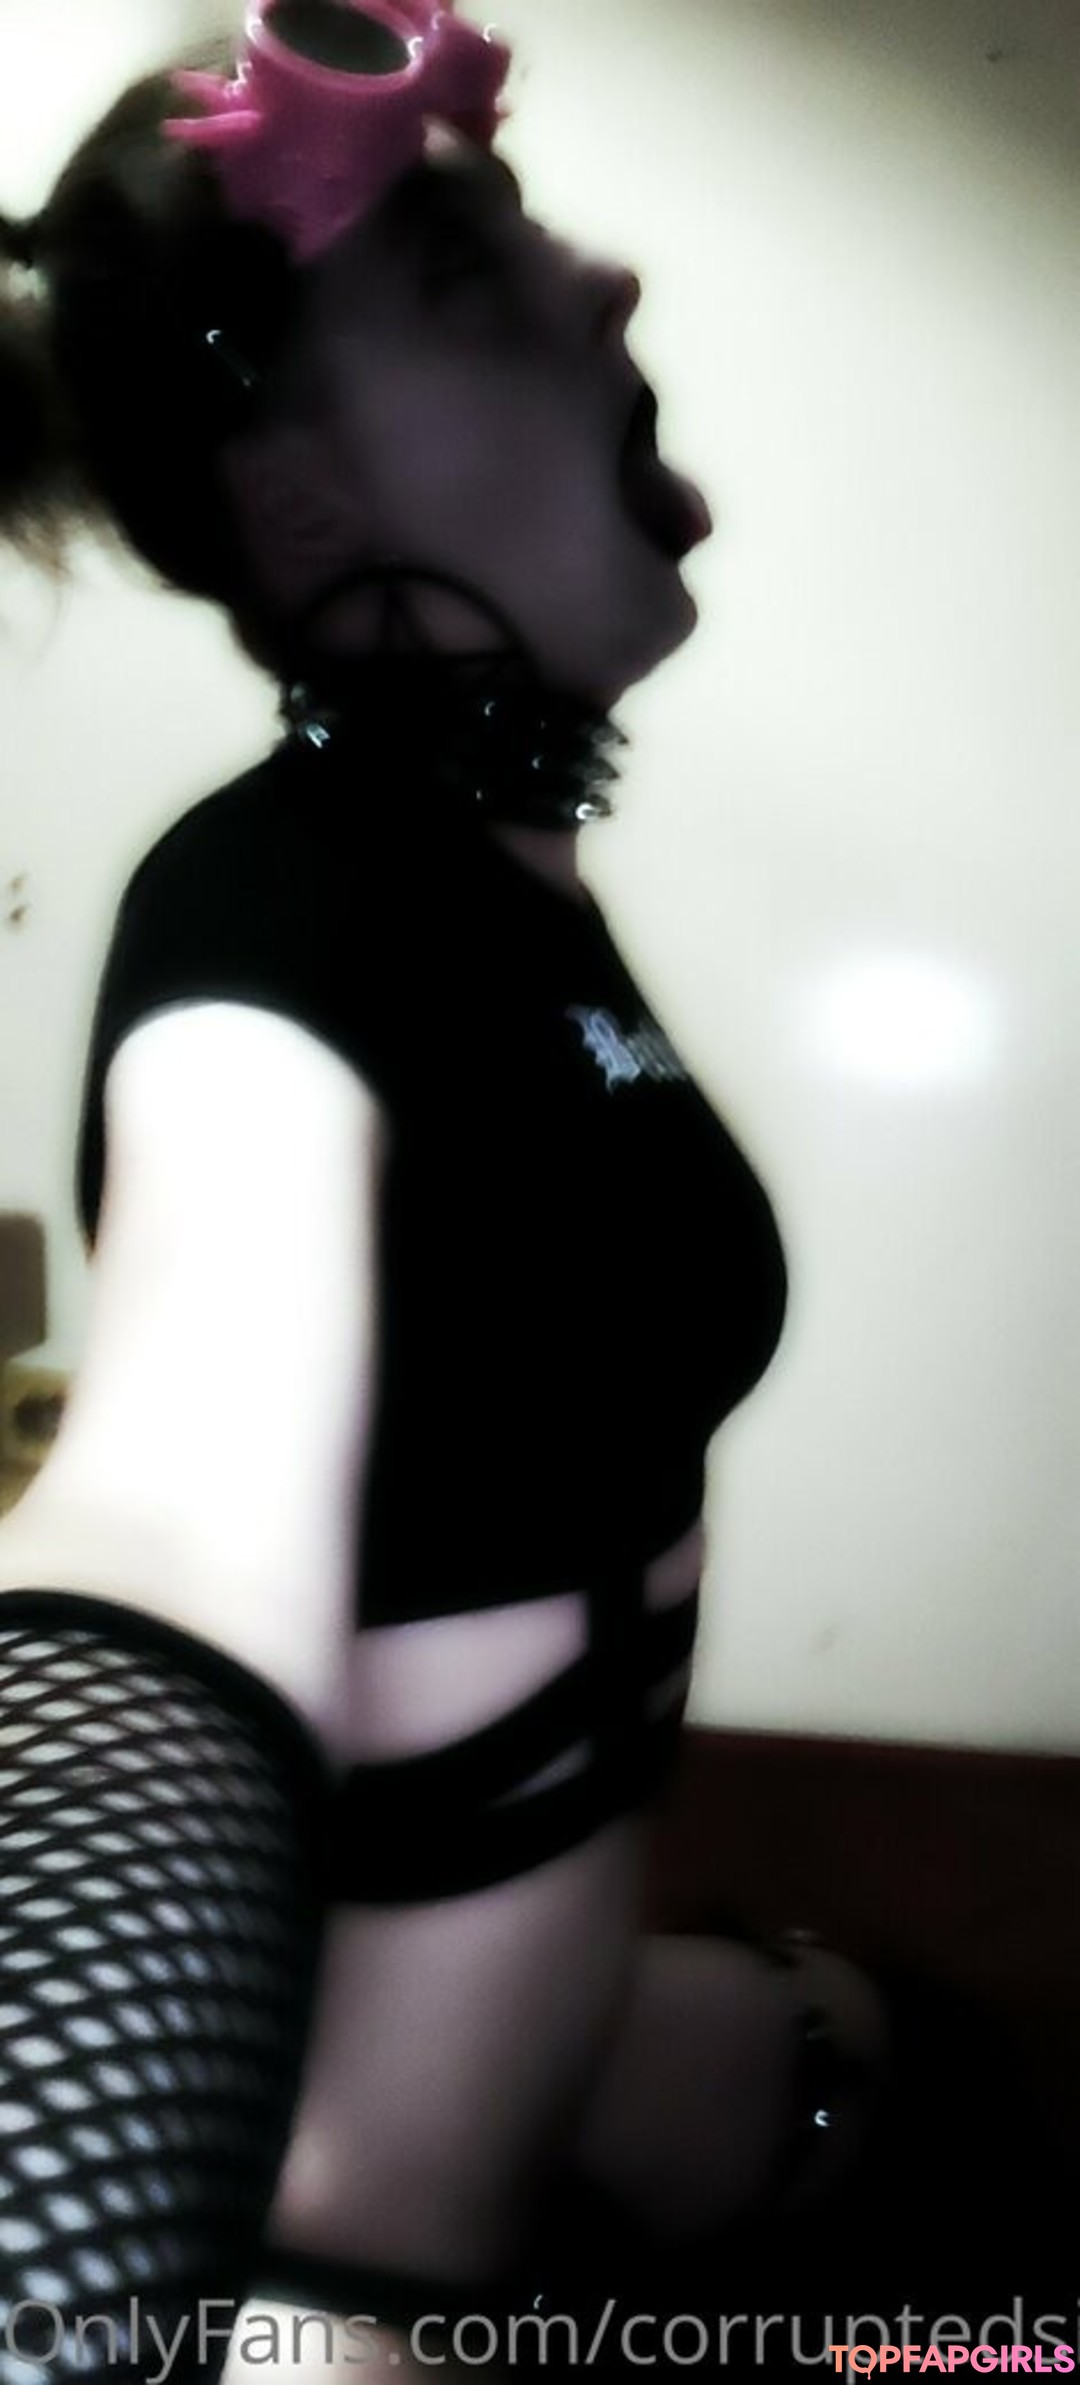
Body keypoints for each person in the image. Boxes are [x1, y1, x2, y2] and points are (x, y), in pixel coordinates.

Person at [0, 4, 888, 2377]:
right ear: (303, 513)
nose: (609, 282)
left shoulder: (489, 893)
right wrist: (38, 2223)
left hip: (589, 2136)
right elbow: (167, 1518)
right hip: (349, 2302)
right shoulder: (271, 913)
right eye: (478, 272)